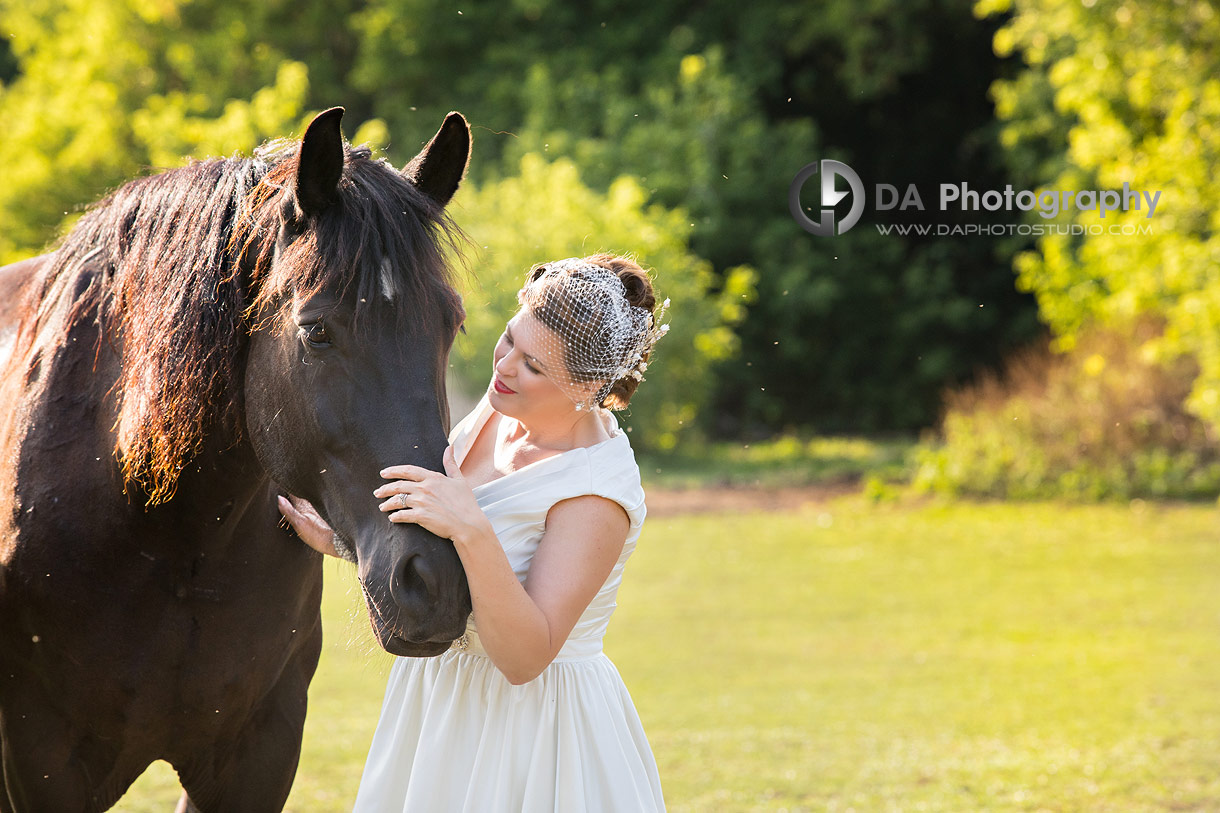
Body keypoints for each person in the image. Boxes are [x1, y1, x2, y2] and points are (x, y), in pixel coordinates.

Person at [278, 253, 670, 812]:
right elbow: (438, 544)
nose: (506, 366)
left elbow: (524, 656)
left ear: (586, 387)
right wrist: (343, 543)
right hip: (437, 704)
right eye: (510, 339)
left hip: (531, 732)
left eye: (535, 365)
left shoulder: (594, 493)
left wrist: (471, 528)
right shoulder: (497, 409)